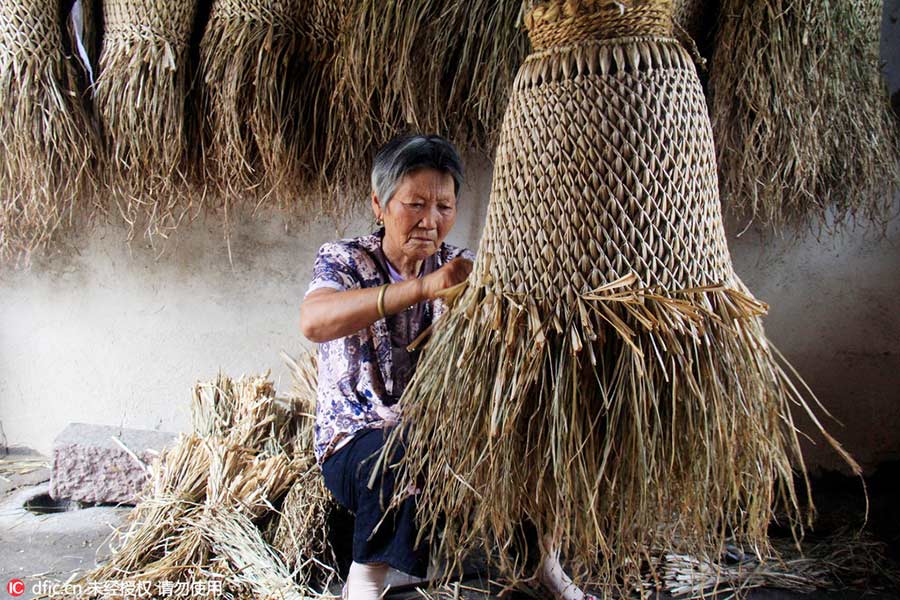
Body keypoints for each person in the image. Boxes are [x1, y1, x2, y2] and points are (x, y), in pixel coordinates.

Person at [300, 133, 595, 600]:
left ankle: (544, 565)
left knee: (536, 433)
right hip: (356, 439)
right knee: (391, 453)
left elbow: (509, 332)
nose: (430, 221)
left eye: (444, 206)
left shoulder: (461, 266)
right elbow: (314, 322)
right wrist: (421, 289)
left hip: (441, 433)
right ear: (379, 204)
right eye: (414, 204)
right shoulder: (345, 260)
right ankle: (364, 583)